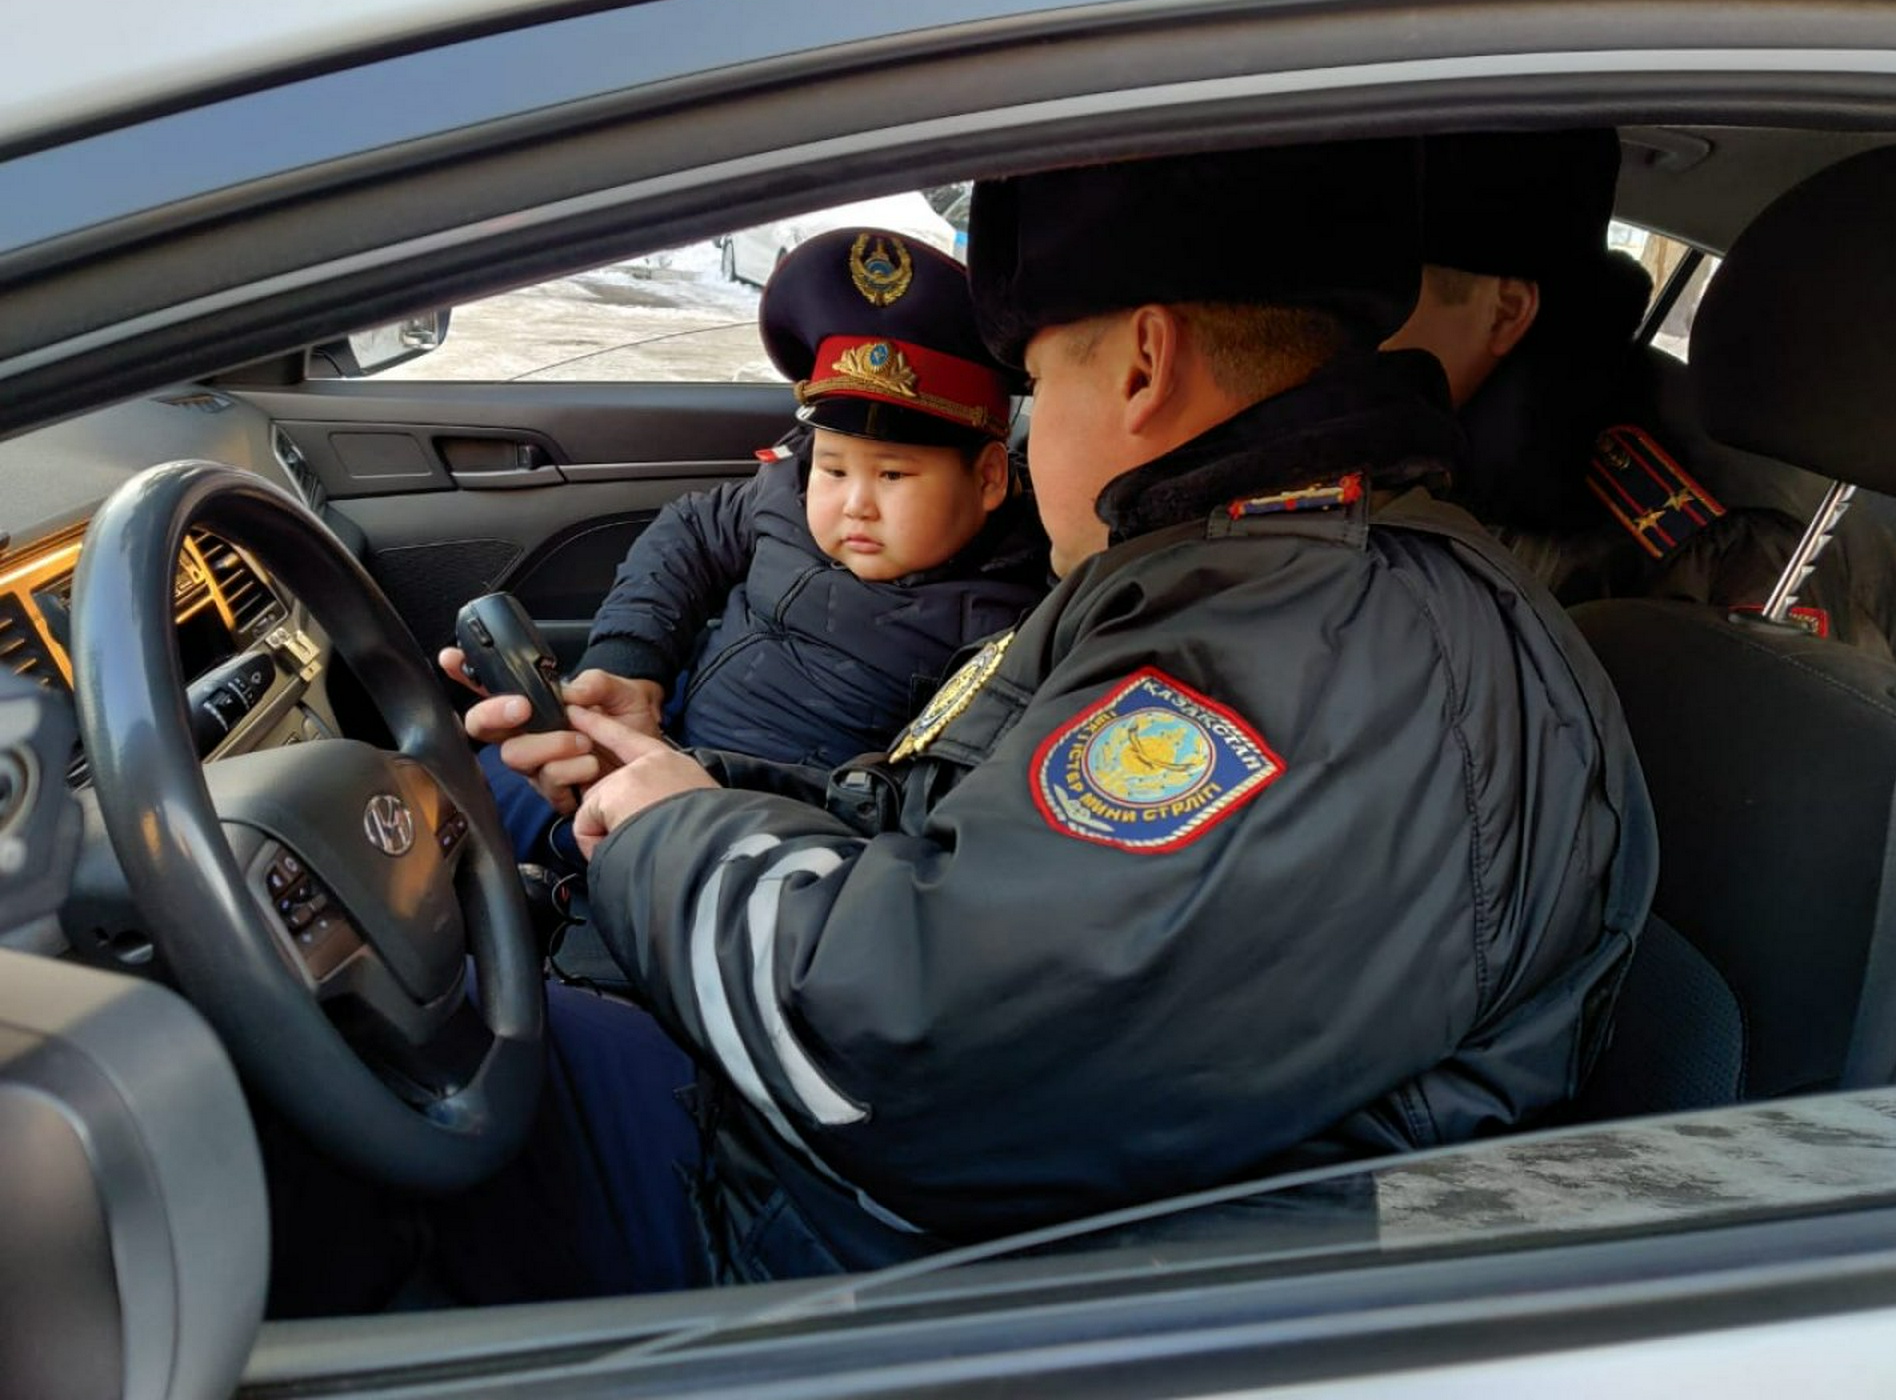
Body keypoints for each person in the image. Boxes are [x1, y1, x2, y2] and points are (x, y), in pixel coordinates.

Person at [448, 139, 1655, 1295]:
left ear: (1141, 363)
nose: (1023, 445)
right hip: (867, 1193)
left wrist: (671, 842)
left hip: (914, 1280)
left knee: (402, 1097)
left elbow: (901, 1050)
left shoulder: (1302, 654)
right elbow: (949, 828)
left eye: (1034, 387)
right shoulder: (1233, 580)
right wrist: (684, 779)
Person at [440, 227, 1051, 868]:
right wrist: (631, 665)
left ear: (986, 477)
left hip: (759, 831)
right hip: (658, 734)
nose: (854, 503)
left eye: (894, 475)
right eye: (835, 468)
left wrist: (688, 785)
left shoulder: (1013, 620)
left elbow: (916, 805)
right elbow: (688, 535)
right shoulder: (784, 494)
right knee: (456, 808)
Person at [1383, 128, 1896, 661]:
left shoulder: (1732, 547)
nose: (1346, 330)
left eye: (1384, 297)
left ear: (1506, 311)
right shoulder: (1445, 444)